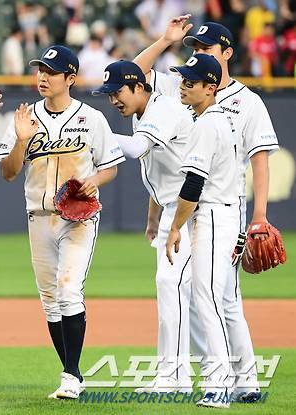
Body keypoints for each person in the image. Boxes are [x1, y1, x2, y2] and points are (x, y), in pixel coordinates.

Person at [134, 16, 280, 402]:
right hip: (195, 208)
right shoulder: (191, 96)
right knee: (205, 295)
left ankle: (227, 383)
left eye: (204, 50)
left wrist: (259, 216)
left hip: (218, 208)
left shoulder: (239, 105)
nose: (195, 57)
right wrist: (165, 40)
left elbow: (255, 161)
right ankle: (239, 382)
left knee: (217, 298)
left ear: (226, 54)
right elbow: (134, 76)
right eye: (193, 50)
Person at [0, 45, 124, 399]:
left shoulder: (91, 118)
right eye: (40, 70)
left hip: (79, 218)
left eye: (51, 72)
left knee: (69, 290)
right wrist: (21, 141)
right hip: (39, 218)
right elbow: (8, 173)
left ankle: (71, 373)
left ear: (70, 78)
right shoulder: (24, 117)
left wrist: (94, 181)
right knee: (50, 300)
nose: (42, 77)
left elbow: (110, 165)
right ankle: (72, 375)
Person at [93, 60, 195, 393]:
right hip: (174, 209)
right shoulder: (143, 114)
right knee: (177, 290)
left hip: (195, 210)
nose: (113, 100)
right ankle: (175, 375)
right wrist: (152, 219)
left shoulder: (163, 108)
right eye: (108, 95)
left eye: (117, 92)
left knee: (185, 291)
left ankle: (178, 378)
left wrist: (91, 131)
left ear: (139, 87)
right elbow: (162, 175)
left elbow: (137, 149)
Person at [165, 54, 238, 409]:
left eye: (190, 82)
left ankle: (221, 385)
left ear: (211, 88)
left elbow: (194, 184)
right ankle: (224, 380)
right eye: (182, 79)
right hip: (219, 215)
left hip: (212, 217)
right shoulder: (212, 119)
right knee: (208, 297)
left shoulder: (208, 123)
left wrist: (175, 226)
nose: (183, 86)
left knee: (207, 299)